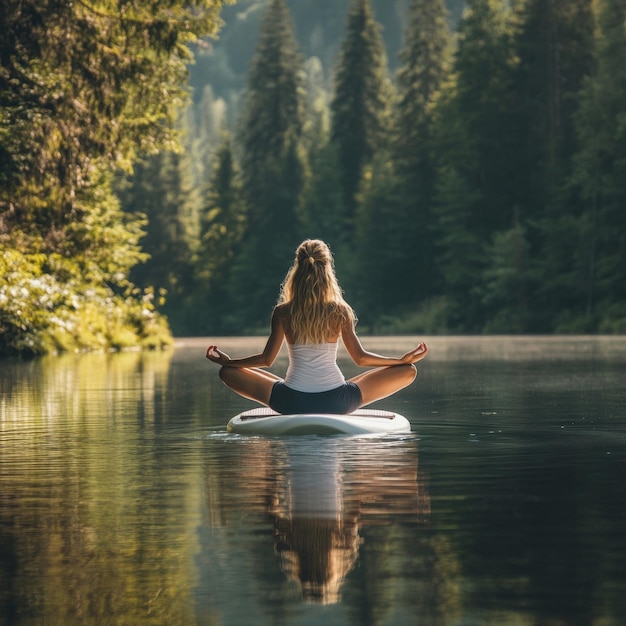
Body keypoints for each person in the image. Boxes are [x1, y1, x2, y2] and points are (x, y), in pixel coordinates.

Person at [206, 239, 428, 414]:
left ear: (297, 270)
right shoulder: (340, 311)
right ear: (327, 271)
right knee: (408, 371)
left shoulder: (283, 312)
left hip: (290, 401)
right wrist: (401, 361)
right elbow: (360, 359)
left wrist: (230, 362)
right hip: (337, 402)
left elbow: (266, 360)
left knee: (228, 372)